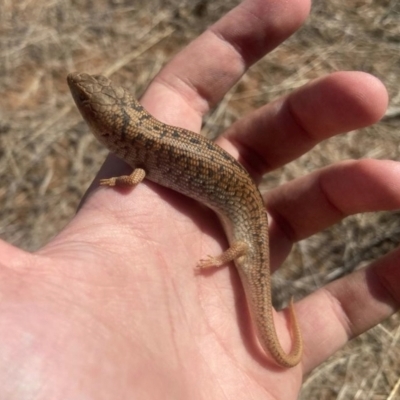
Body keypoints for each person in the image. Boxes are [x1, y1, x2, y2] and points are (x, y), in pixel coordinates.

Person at [1, 0, 397, 398]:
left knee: (245, 255)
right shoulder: (141, 140)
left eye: (87, 102)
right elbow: (141, 171)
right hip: (241, 207)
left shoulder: (138, 148)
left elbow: (139, 174)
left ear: (108, 124)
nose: (80, 93)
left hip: (247, 233)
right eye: (86, 101)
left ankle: (276, 338)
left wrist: (221, 256)